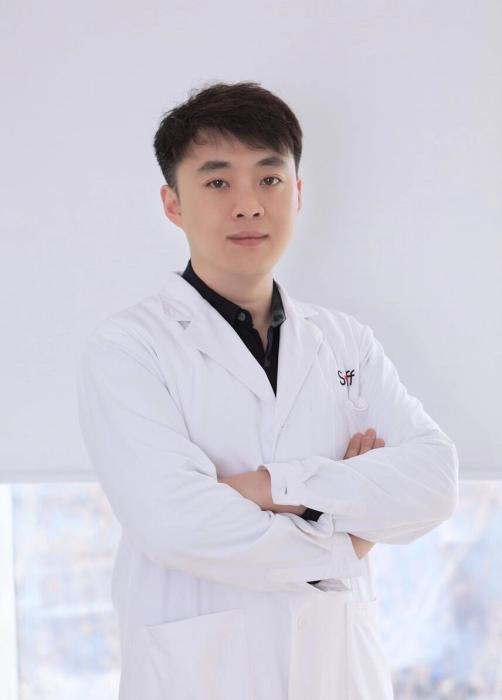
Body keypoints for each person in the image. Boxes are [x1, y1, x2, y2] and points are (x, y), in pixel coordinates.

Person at [76, 81, 459, 699]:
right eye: (218, 182)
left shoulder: (347, 342)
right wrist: (348, 537)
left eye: (270, 179)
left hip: (339, 673)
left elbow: (434, 482)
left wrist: (269, 487)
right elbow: (176, 523)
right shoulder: (129, 349)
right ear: (173, 204)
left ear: (297, 193)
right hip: (203, 677)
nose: (249, 205)